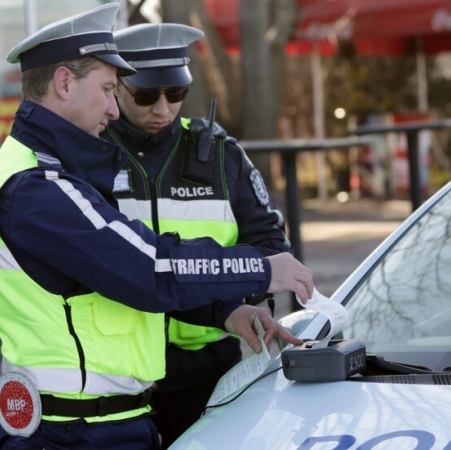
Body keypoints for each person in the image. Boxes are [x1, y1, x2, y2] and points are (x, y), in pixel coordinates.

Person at [0, 4, 312, 449]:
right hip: (75, 430)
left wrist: (227, 309)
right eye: (107, 89)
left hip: (94, 418)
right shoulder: (38, 185)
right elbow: (148, 267)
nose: (114, 109)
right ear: (63, 83)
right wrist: (261, 268)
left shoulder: (53, 167)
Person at [103, 23, 293, 446]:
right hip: (119, 370)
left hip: (211, 366)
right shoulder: (90, 154)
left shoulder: (221, 154)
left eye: (176, 93)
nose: (163, 109)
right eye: (147, 95)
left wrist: (225, 300)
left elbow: (270, 244)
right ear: (115, 87)